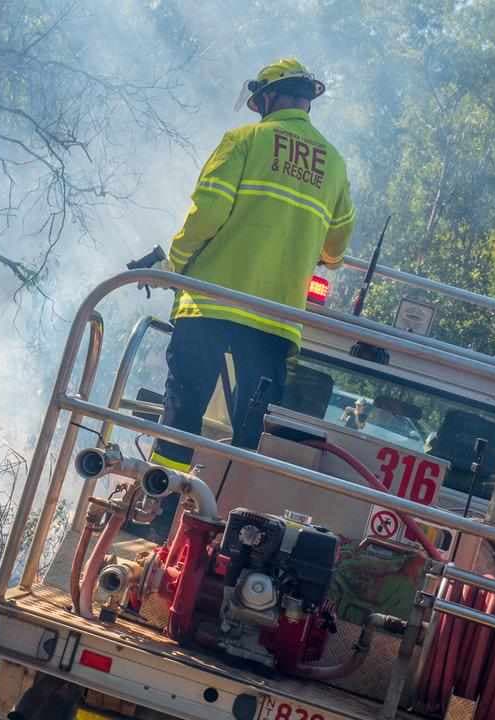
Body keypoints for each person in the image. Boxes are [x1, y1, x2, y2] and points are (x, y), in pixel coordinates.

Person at [145, 58, 356, 533]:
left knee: (183, 411)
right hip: (274, 322)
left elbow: (208, 212)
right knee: (251, 434)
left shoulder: (244, 141)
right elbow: (335, 250)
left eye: (260, 101)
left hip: (210, 305)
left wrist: (172, 265)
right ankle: (228, 534)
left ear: (271, 98)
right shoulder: (335, 164)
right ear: (307, 100)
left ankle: (154, 515)